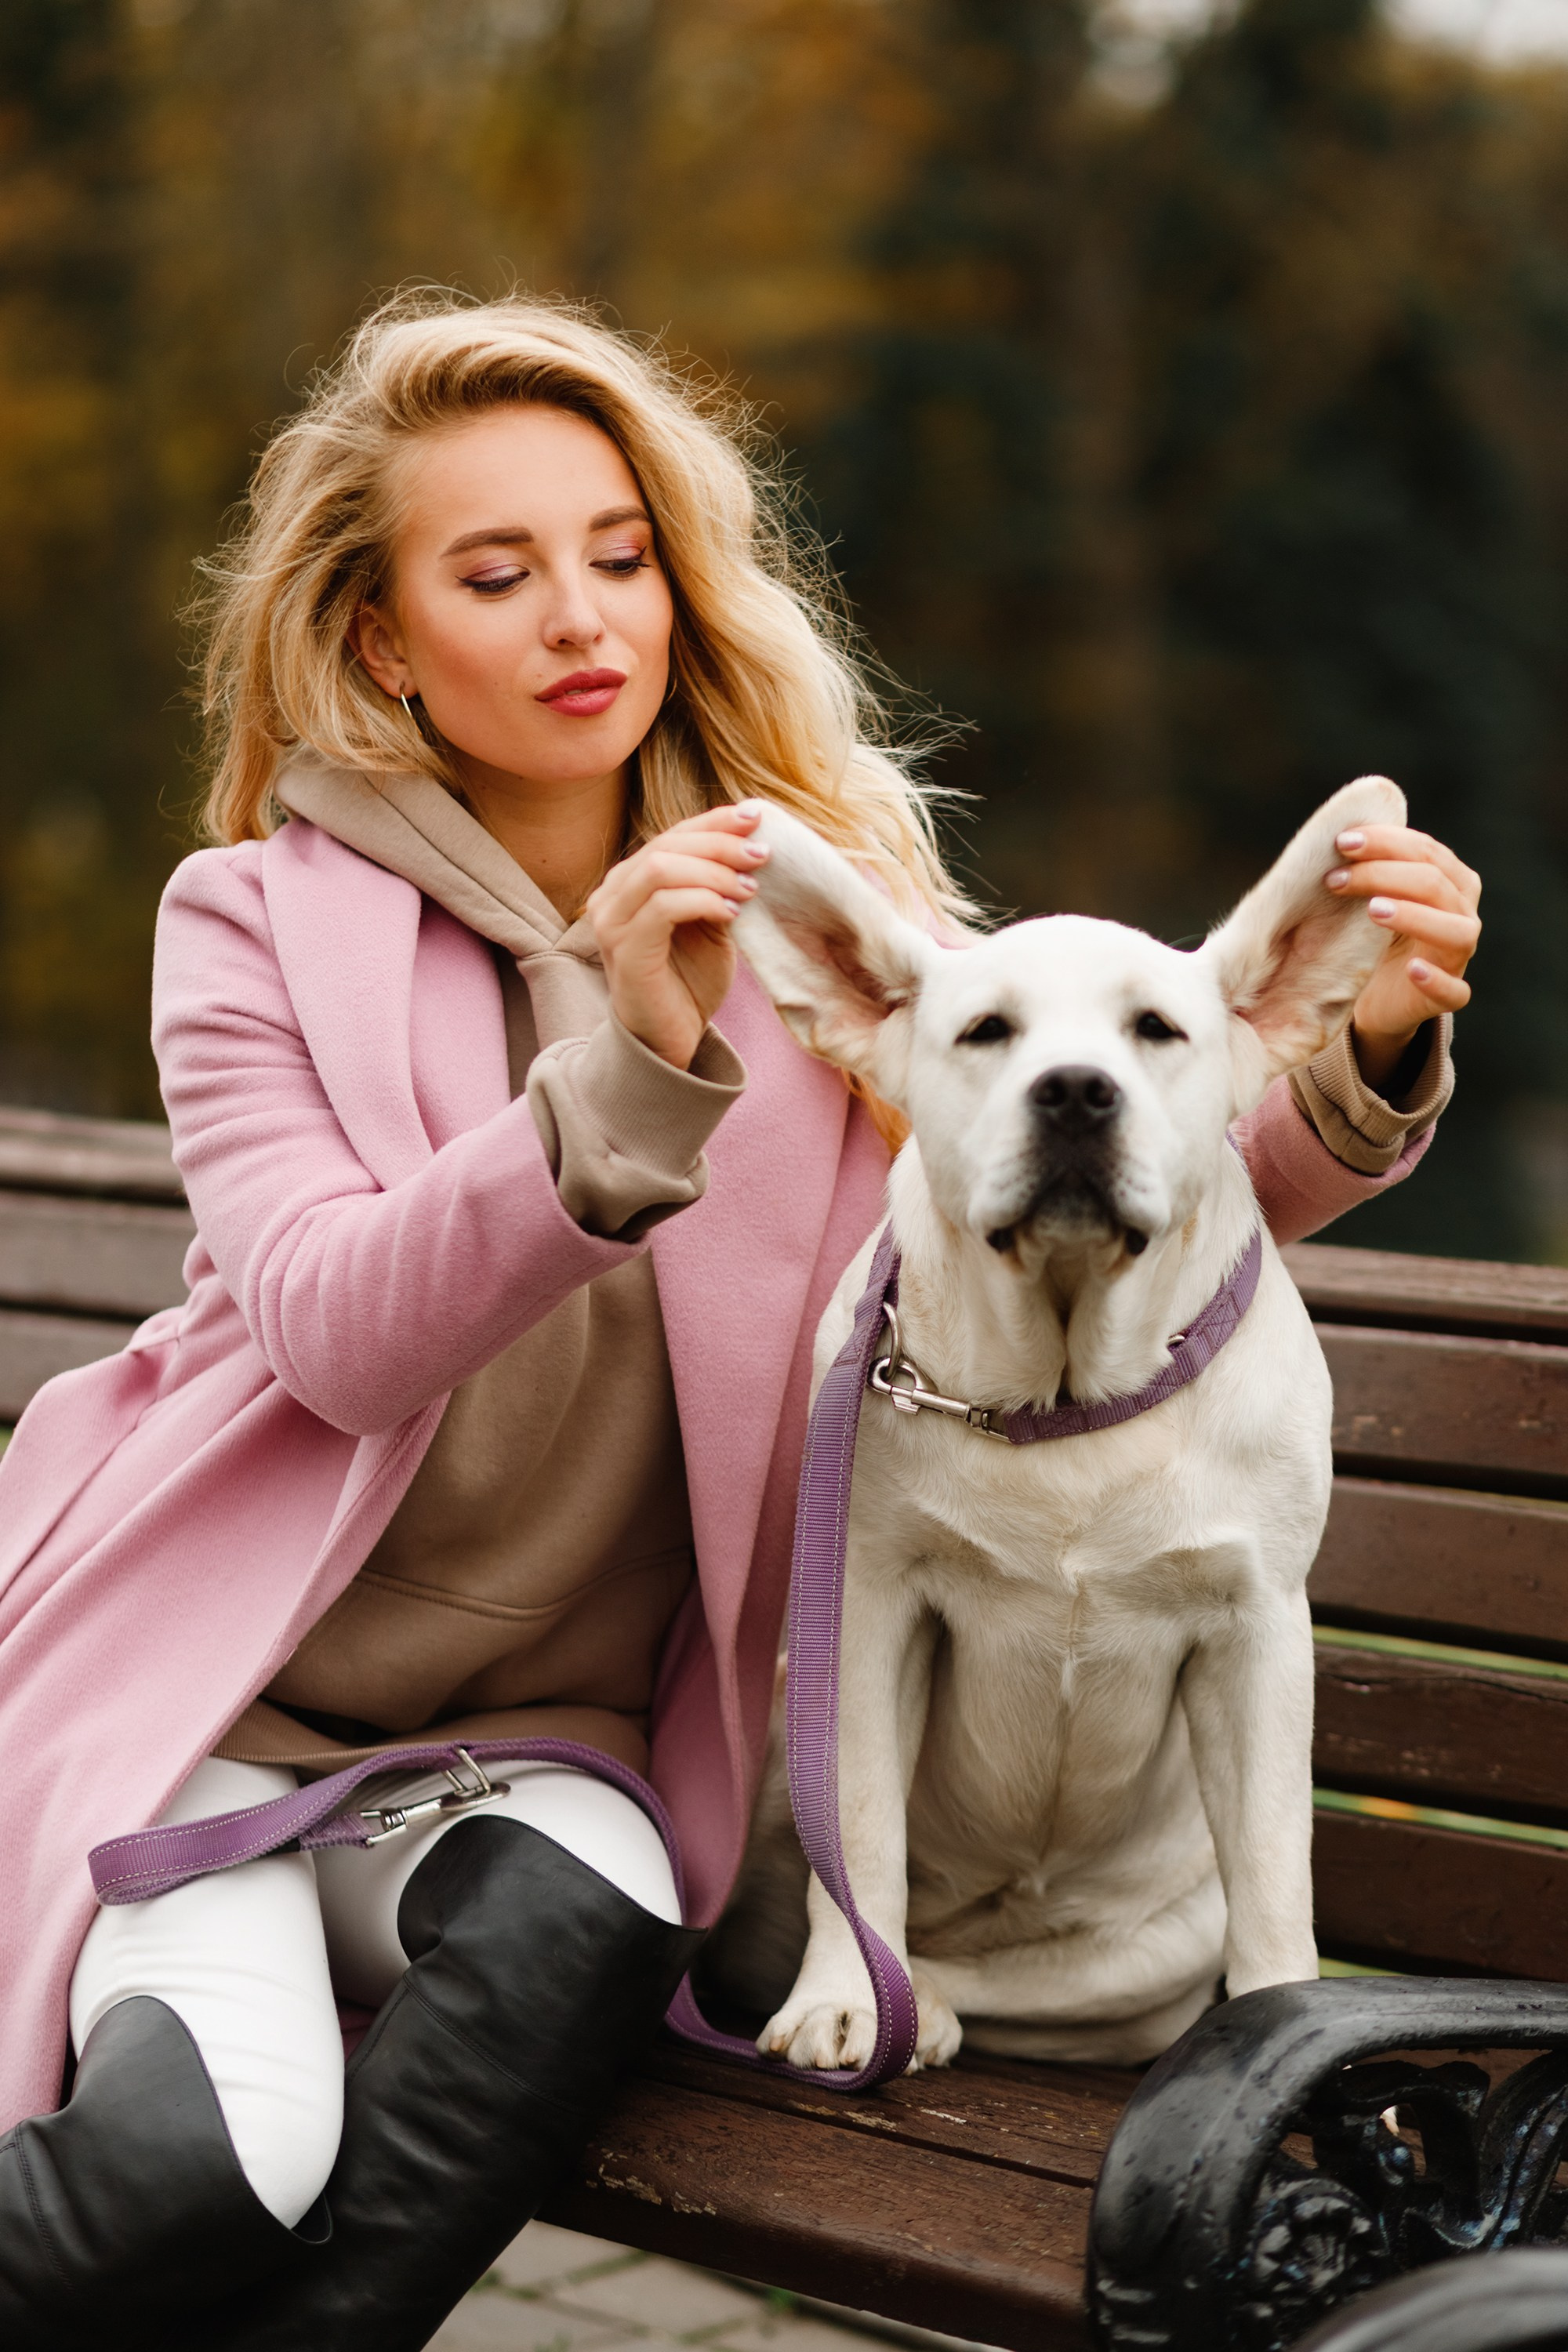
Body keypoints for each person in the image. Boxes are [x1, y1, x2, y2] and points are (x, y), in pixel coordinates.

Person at [0, 292, 1481, 2351]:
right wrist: (626, 1066)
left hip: (555, 1760)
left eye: (619, 555)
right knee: (198, 2183)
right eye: (494, 572)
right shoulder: (251, 924)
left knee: (578, 1922)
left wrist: (1368, 1053)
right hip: (223, 1725)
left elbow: (1095, 1159)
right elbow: (342, 1336)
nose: (578, 615)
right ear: (374, 635)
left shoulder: (808, 921)